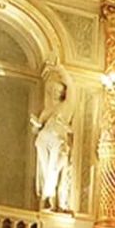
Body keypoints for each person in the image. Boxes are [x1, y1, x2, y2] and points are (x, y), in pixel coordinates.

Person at [32, 67, 76, 213]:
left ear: (63, 92)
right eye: (54, 90)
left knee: (54, 170)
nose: (56, 93)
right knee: (46, 173)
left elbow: (71, 88)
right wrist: (36, 125)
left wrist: (60, 70)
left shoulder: (66, 106)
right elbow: (37, 128)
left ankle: (57, 204)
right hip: (42, 141)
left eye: (59, 90)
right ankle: (51, 201)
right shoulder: (48, 109)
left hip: (58, 142)